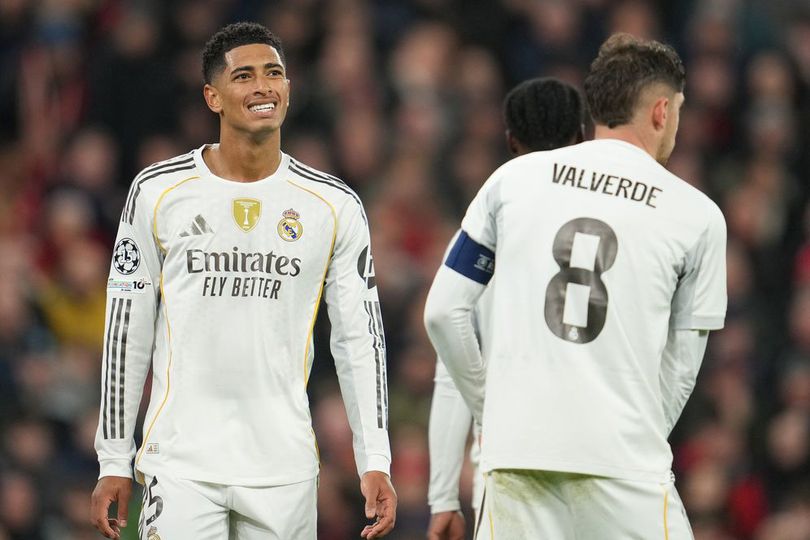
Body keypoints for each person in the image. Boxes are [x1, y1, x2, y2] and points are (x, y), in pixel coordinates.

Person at [89, 22, 396, 540]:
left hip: (283, 467)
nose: (263, 86)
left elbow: (360, 339)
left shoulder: (332, 205)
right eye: (244, 76)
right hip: (181, 461)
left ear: (289, 88)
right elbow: (126, 330)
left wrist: (375, 458)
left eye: (274, 73)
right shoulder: (158, 192)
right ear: (213, 96)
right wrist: (114, 457)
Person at [424, 33, 727, 538]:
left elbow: (442, 313)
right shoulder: (697, 215)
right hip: (623, 460)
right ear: (661, 111)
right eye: (678, 109)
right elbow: (681, 369)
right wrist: (634, 432)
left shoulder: (511, 182)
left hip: (516, 452)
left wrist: (490, 407)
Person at [426, 77, 585, 540]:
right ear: (582, 136)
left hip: (512, 458)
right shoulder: (623, 223)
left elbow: (447, 342)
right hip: (601, 456)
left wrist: (443, 495)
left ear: (511, 141)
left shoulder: (488, 223)